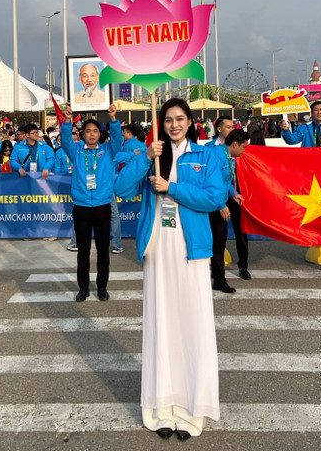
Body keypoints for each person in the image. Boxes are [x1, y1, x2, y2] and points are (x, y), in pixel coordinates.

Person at [114, 98, 224, 439]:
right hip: (159, 247)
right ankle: (161, 407)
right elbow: (120, 189)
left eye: (180, 119)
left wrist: (172, 188)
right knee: (161, 323)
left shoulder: (207, 156)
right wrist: (145, 159)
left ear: (190, 122)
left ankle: (193, 411)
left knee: (192, 323)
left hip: (190, 249)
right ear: (161, 124)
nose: (174, 124)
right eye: (168, 120)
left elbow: (215, 198)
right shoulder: (152, 155)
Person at [60, 105, 122, 301]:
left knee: (103, 250)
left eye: (95, 131)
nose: (92, 134)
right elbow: (65, 141)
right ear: (83, 134)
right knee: (83, 252)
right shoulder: (76, 151)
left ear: (100, 134)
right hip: (82, 207)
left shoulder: (108, 151)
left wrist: (113, 119)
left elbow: (118, 140)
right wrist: (67, 121)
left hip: (103, 206)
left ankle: (102, 287)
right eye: (88, 131)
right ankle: (83, 288)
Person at [208, 128, 250, 293]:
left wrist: (233, 194)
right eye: (244, 147)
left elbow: (225, 181)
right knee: (218, 242)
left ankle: (217, 277)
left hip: (220, 201)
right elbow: (213, 183)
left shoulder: (225, 155)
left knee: (219, 242)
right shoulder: (217, 156)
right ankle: (218, 280)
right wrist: (221, 205)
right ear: (235, 144)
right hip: (213, 204)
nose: (244, 150)